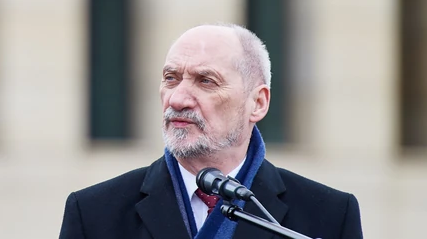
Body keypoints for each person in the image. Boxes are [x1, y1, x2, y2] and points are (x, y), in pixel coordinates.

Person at [58, 23, 363, 239]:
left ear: (257, 103)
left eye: (206, 81)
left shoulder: (328, 216)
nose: (177, 99)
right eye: (171, 78)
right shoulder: (93, 214)